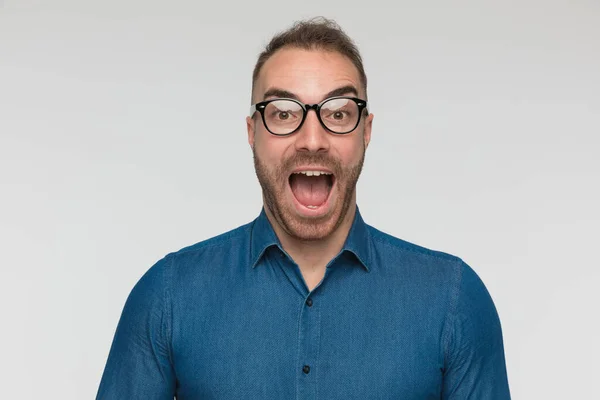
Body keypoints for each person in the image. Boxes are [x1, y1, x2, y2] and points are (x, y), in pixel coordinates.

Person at [96, 17, 511, 399]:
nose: (312, 139)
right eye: (282, 113)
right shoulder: (167, 296)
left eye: (338, 113)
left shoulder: (453, 300)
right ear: (252, 131)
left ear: (366, 132)